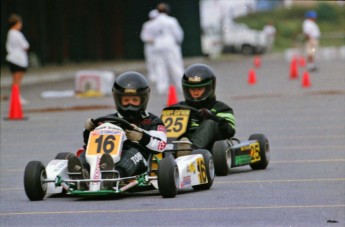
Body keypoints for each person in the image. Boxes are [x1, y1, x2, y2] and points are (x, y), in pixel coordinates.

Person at [67, 71, 167, 189]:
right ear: (118, 100)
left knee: (133, 153)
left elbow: (161, 145)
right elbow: (88, 143)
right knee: (85, 152)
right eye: (126, 100)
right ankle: (82, 175)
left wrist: (141, 137)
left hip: (140, 162)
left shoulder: (152, 121)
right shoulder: (108, 120)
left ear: (143, 99)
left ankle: (113, 176)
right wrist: (89, 130)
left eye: (134, 100)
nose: (130, 104)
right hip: (107, 157)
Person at [171, 63, 236, 151]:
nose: (195, 93)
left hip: (211, 147)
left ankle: (190, 150)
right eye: (192, 89)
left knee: (209, 122)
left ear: (209, 88)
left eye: (199, 89)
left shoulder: (221, 108)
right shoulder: (179, 107)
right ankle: (167, 151)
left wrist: (212, 116)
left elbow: (230, 131)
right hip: (180, 145)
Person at [150, 2, 184, 94]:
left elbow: (150, 36)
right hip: (170, 45)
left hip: (158, 46)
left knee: (160, 67)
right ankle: (182, 85)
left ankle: (162, 88)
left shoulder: (153, 23)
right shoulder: (171, 20)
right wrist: (178, 42)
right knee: (175, 66)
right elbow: (178, 34)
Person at [5, 14, 30, 104]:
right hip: (17, 60)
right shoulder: (16, 33)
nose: (21, 25)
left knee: (16, 80)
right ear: (16, 23)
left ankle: (15, 97)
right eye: (20, 23)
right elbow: (25, 45)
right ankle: (16, 97)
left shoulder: (10, 33)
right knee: (17, 80)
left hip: (15, 59)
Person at [140, 9, 159, 83]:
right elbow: (143, 36)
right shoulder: (146, 25)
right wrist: (149, 39)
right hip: (149, 46)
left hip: (158, 45)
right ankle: (152, 75)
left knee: (158, 61)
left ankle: (158, 75)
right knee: (150, 61)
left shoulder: (160, 24)